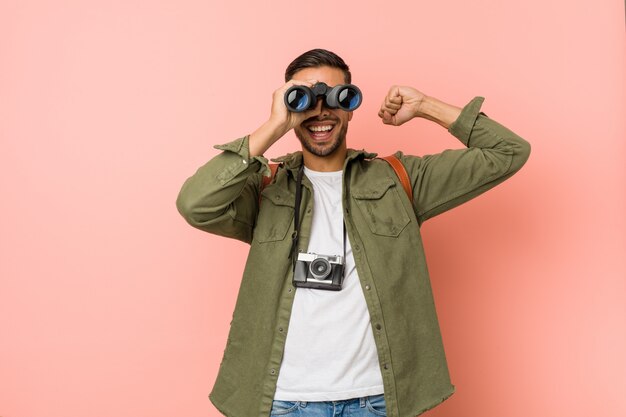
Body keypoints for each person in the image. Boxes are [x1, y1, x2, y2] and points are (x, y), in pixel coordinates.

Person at [176, 48, 531, 417]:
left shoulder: (400, 179)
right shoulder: (266, 186)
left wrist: (425, 105)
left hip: (376, 399)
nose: (320, 111)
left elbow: (509, 152)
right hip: (284, 400)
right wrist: (274, 126)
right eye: (306, 99)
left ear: (349, 106)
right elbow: (195, 204)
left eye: (334, 97)